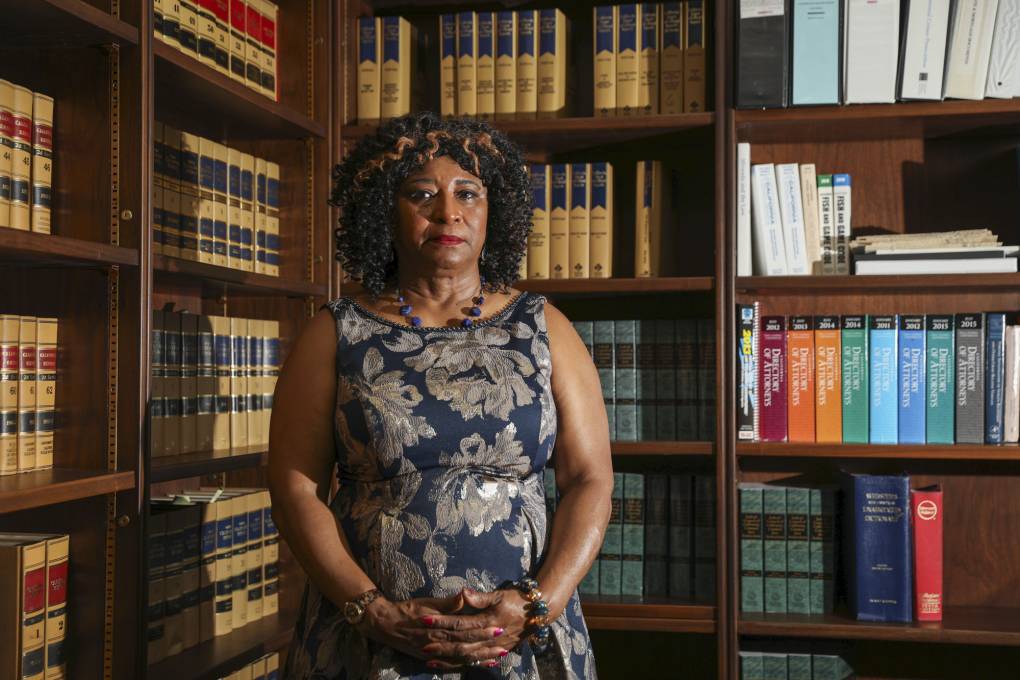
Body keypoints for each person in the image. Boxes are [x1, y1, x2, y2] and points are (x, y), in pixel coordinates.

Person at [270, 111, 613, 679]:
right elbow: (295, 488)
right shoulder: (335, 332)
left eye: (467, 193)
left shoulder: (545, 327)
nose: (447, 212)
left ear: (491, 212)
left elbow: (590, 479)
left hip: (521, 638)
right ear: (385, 209)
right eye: (422, 193)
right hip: (370, 642)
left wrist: (537, 604)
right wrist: (370, 609)